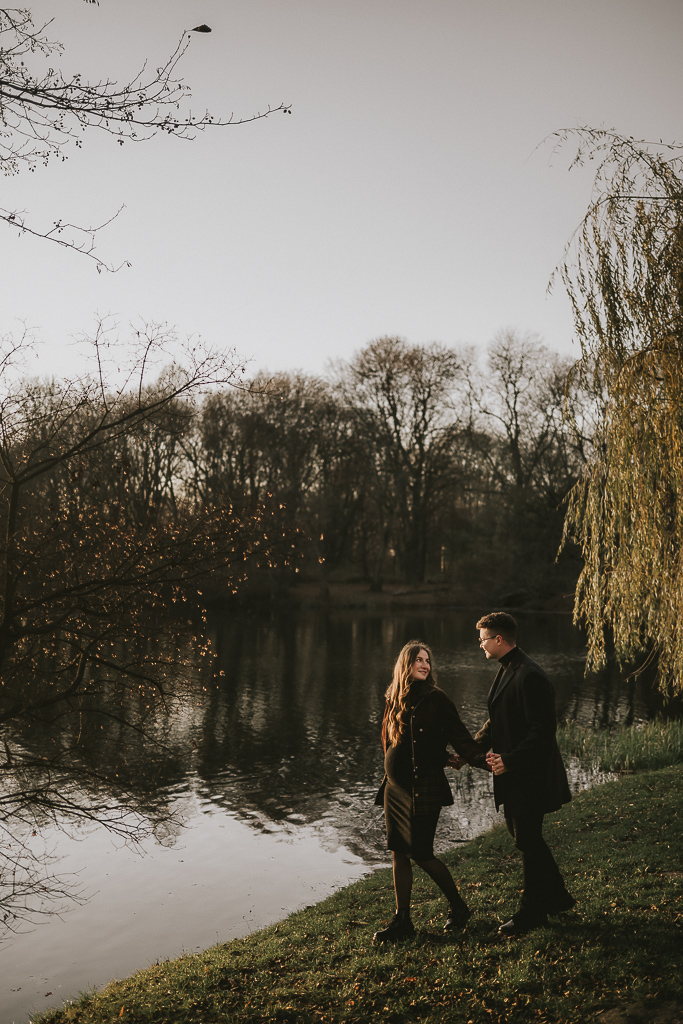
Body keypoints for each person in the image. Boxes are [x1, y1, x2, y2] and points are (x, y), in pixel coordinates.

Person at [372, 639, 485, 943]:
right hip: (395, 789)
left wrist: (479, 759)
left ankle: (459, 907)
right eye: (418, 660)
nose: (424, 664)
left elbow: (458, 735)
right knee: (398, 852)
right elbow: (397, 742)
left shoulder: (437, 698)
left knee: (421, 852)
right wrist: (438, 757)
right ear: (405, 664)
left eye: (427, 660)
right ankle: (403, 920)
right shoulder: (394, 697)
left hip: (424, 786)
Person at [473, 611, 575, 936]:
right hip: (516, 776)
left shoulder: (530, 675)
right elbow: (497, 720)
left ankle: (533, 912)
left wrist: (510, 760)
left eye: (483, 639)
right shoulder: (508, 669)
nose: (480, 645)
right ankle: (557, 896)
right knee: (525, 838)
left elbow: (542, 731)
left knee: (528, 839)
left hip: (531, 775)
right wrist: (471, 749)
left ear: (499, 639)